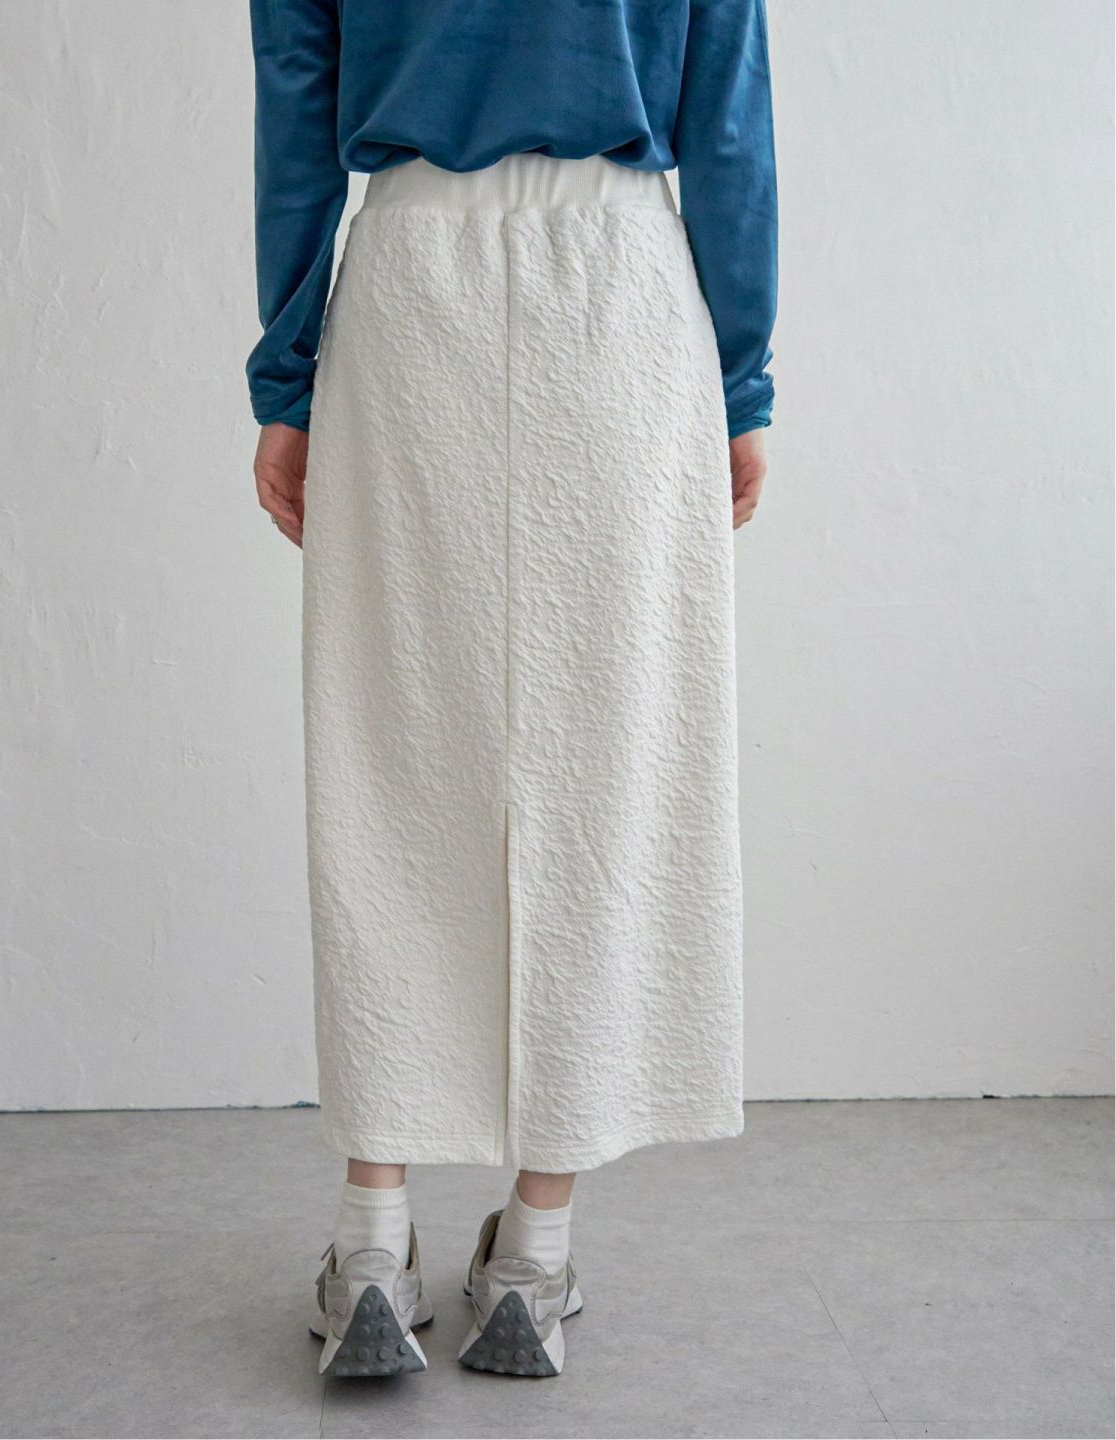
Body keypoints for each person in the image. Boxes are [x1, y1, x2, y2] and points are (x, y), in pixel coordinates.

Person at [248, 0, 776, 1381]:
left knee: (389, 755)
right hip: (619, 289)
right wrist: (740, 383)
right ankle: (532, 1260)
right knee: (604, 762)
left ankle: (373, 1236)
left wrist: (288, 382)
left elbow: (297, 110)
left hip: (411, 284)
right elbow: (727, 122)